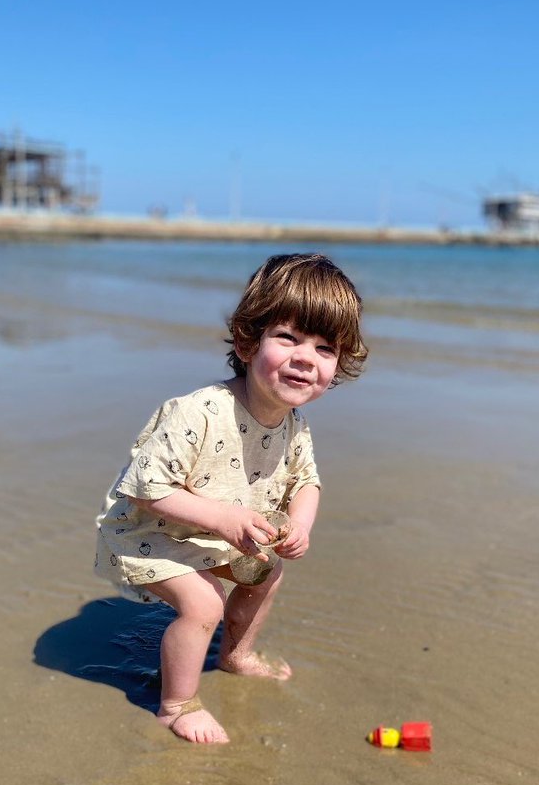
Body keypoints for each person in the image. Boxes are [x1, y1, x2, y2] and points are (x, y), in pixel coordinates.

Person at [95, 252, 367, 743]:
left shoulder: (294, 423)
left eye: (325, 348)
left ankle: (236, 653)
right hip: (146, 532)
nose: (305, 357)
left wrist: (299, 525)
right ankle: (177, 706)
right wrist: (222, 517)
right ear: (246, 342)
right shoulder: (198, 412)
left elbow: (307, 480)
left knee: (267, 571)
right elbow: (145, 486)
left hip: (211, 533)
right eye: (287, 337)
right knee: (204, 606)